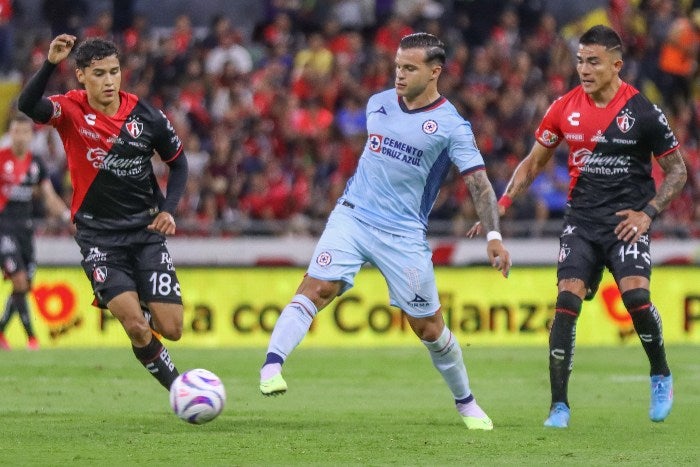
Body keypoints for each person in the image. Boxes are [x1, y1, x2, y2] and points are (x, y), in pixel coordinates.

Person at [259, 33, 511, 431]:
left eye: (409, 68)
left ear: (434, 72)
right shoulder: (377, 103)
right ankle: (271, 366)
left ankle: (466, 403)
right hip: (353, 216)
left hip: (403, 234)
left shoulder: (451, 126)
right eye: (397, 66)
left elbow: (478, 183)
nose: (399, 75)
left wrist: (493, 237)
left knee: (429, 328)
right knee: (316, 288)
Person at [487, 25, 687, 427]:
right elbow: (533, 162)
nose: (583, 68)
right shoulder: (563, 107)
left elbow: (677, 171)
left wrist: (647, 213)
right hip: (581, 221)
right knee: (566, 305)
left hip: (625, 223)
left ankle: (661, 373)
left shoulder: (643, 112)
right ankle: (558, 405)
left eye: (593, 61)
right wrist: (503, 203)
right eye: (579, 60)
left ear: (617, 64)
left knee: (636, 299)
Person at [17, 35, 189, 391]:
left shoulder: (148, 117)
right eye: (98, 74)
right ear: (81, 75)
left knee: (172, 328)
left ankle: (139, 296)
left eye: (114, 72)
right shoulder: (70, 110)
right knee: (137, 327)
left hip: (145, 233)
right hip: (99, 238)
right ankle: (180, 389)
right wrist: (50, 63)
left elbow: (180, 164)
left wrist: (169, 211)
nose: (109, 81)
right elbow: (28, 104)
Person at [0, 114, 71, 350]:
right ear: (10, 134)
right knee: (19, 281)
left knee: (24, 286)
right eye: (16, 132)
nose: (20, 137)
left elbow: (48, 196)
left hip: (26, 231)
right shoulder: (1, 160)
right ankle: (32, 338)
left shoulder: (36, 164)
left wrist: (66, 216)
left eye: (24, 132)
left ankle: (1, 332)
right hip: (3, 230)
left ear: (31, 136)